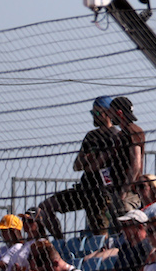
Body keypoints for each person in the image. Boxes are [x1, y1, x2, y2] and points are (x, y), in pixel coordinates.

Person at [34, 96, 122, 238]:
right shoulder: (91, 136)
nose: (94, 117)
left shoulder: (115, 136)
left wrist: (89, 160)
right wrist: (90, 160)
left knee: (99, 232)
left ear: (108, 113)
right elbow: (77, 165)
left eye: (98, 113)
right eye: (92, 113)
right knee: (45, 207)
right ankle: (60, 240)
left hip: (101, 191)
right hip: (84, 187)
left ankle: (101, 250)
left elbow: (94, 165)